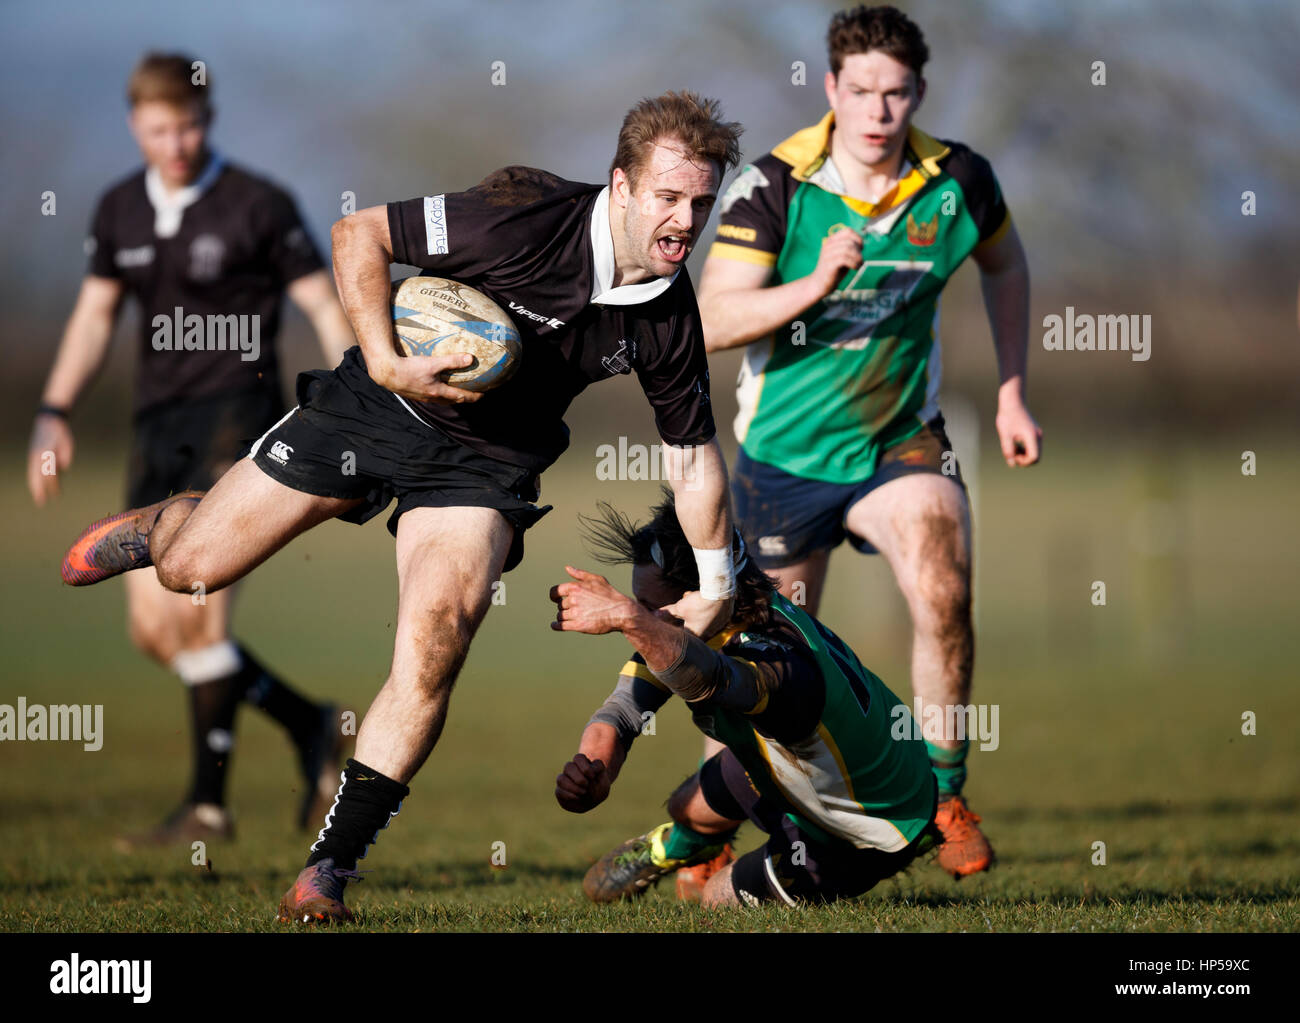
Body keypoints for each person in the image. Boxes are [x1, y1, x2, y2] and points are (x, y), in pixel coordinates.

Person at [61, 91, 744, 924]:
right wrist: (386, 361)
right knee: (189, 570)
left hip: (484, 465)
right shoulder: (525, 213)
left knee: (436, 641)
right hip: (375, 404)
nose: (686, 218)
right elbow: (361, 235)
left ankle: (328, 870)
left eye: (701, 203)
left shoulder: (669, 313)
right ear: (623, 186)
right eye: (669, 197)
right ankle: (165, 525)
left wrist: (716, 578)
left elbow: (693, 458)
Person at [688, 4, 1042, 880]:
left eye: (898, 92)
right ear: (830, 87)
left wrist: (1010, 393)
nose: (881, 111)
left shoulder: (960, 180)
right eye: (863, 91)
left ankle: (945, 794)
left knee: (943, 576)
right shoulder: (773, 186)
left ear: (919, 90)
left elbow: (1006, 264)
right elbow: (711, 317)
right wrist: (814, 281)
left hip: (899, 440)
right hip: (783, 456)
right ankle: (708, 830)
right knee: (771, 665)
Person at [33, 53, 355, 847]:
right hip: (156, 428)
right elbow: (93, 316)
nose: (175, 143)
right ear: (135, 126)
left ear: (208, 121)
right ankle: (309, 722)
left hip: (237, 425)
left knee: (198, 608)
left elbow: (323, 301)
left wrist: (357, 395)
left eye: (188, 126)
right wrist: (54, 408)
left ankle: (208, 807)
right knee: (155, 632)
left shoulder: (260, 205)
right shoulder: (118, 210)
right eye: (158, 129)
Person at [552, 493, 937, 906]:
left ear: (702, 592)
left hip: (869, 827)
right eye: (640, 609)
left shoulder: (776, 661)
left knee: (717, 898)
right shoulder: (705, 623)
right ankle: (676, 845)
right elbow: (623, 711)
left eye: (651, 609)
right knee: (688, 805)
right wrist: (595, 772)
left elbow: (709, 680)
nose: (646, 622)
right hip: (807, 772)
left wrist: (631, 619)